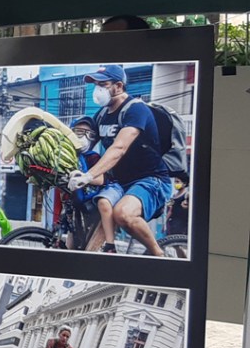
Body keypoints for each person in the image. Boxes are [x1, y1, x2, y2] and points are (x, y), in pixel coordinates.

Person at [67, 65, 172, 256]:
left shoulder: (135, 109)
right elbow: (84, 144)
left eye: (103, 84)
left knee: (123, 214)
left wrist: (89, 175)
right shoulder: (100, 116)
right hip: (120, 183)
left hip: (151, 180)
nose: (98, 89)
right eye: (96, 84)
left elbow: (119, 148)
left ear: (118, 86)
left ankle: (159, 256)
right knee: (89, 220)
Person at [69, 116, 125, 252]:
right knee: (70, 246)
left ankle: (110, 246)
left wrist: (81, 176)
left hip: (103, 199)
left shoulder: (93, 157)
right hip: (83, 206)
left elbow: (101, 180)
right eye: (79, 132)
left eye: (89, 134)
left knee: (90, 251)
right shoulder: (68, 156)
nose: (84, 137)